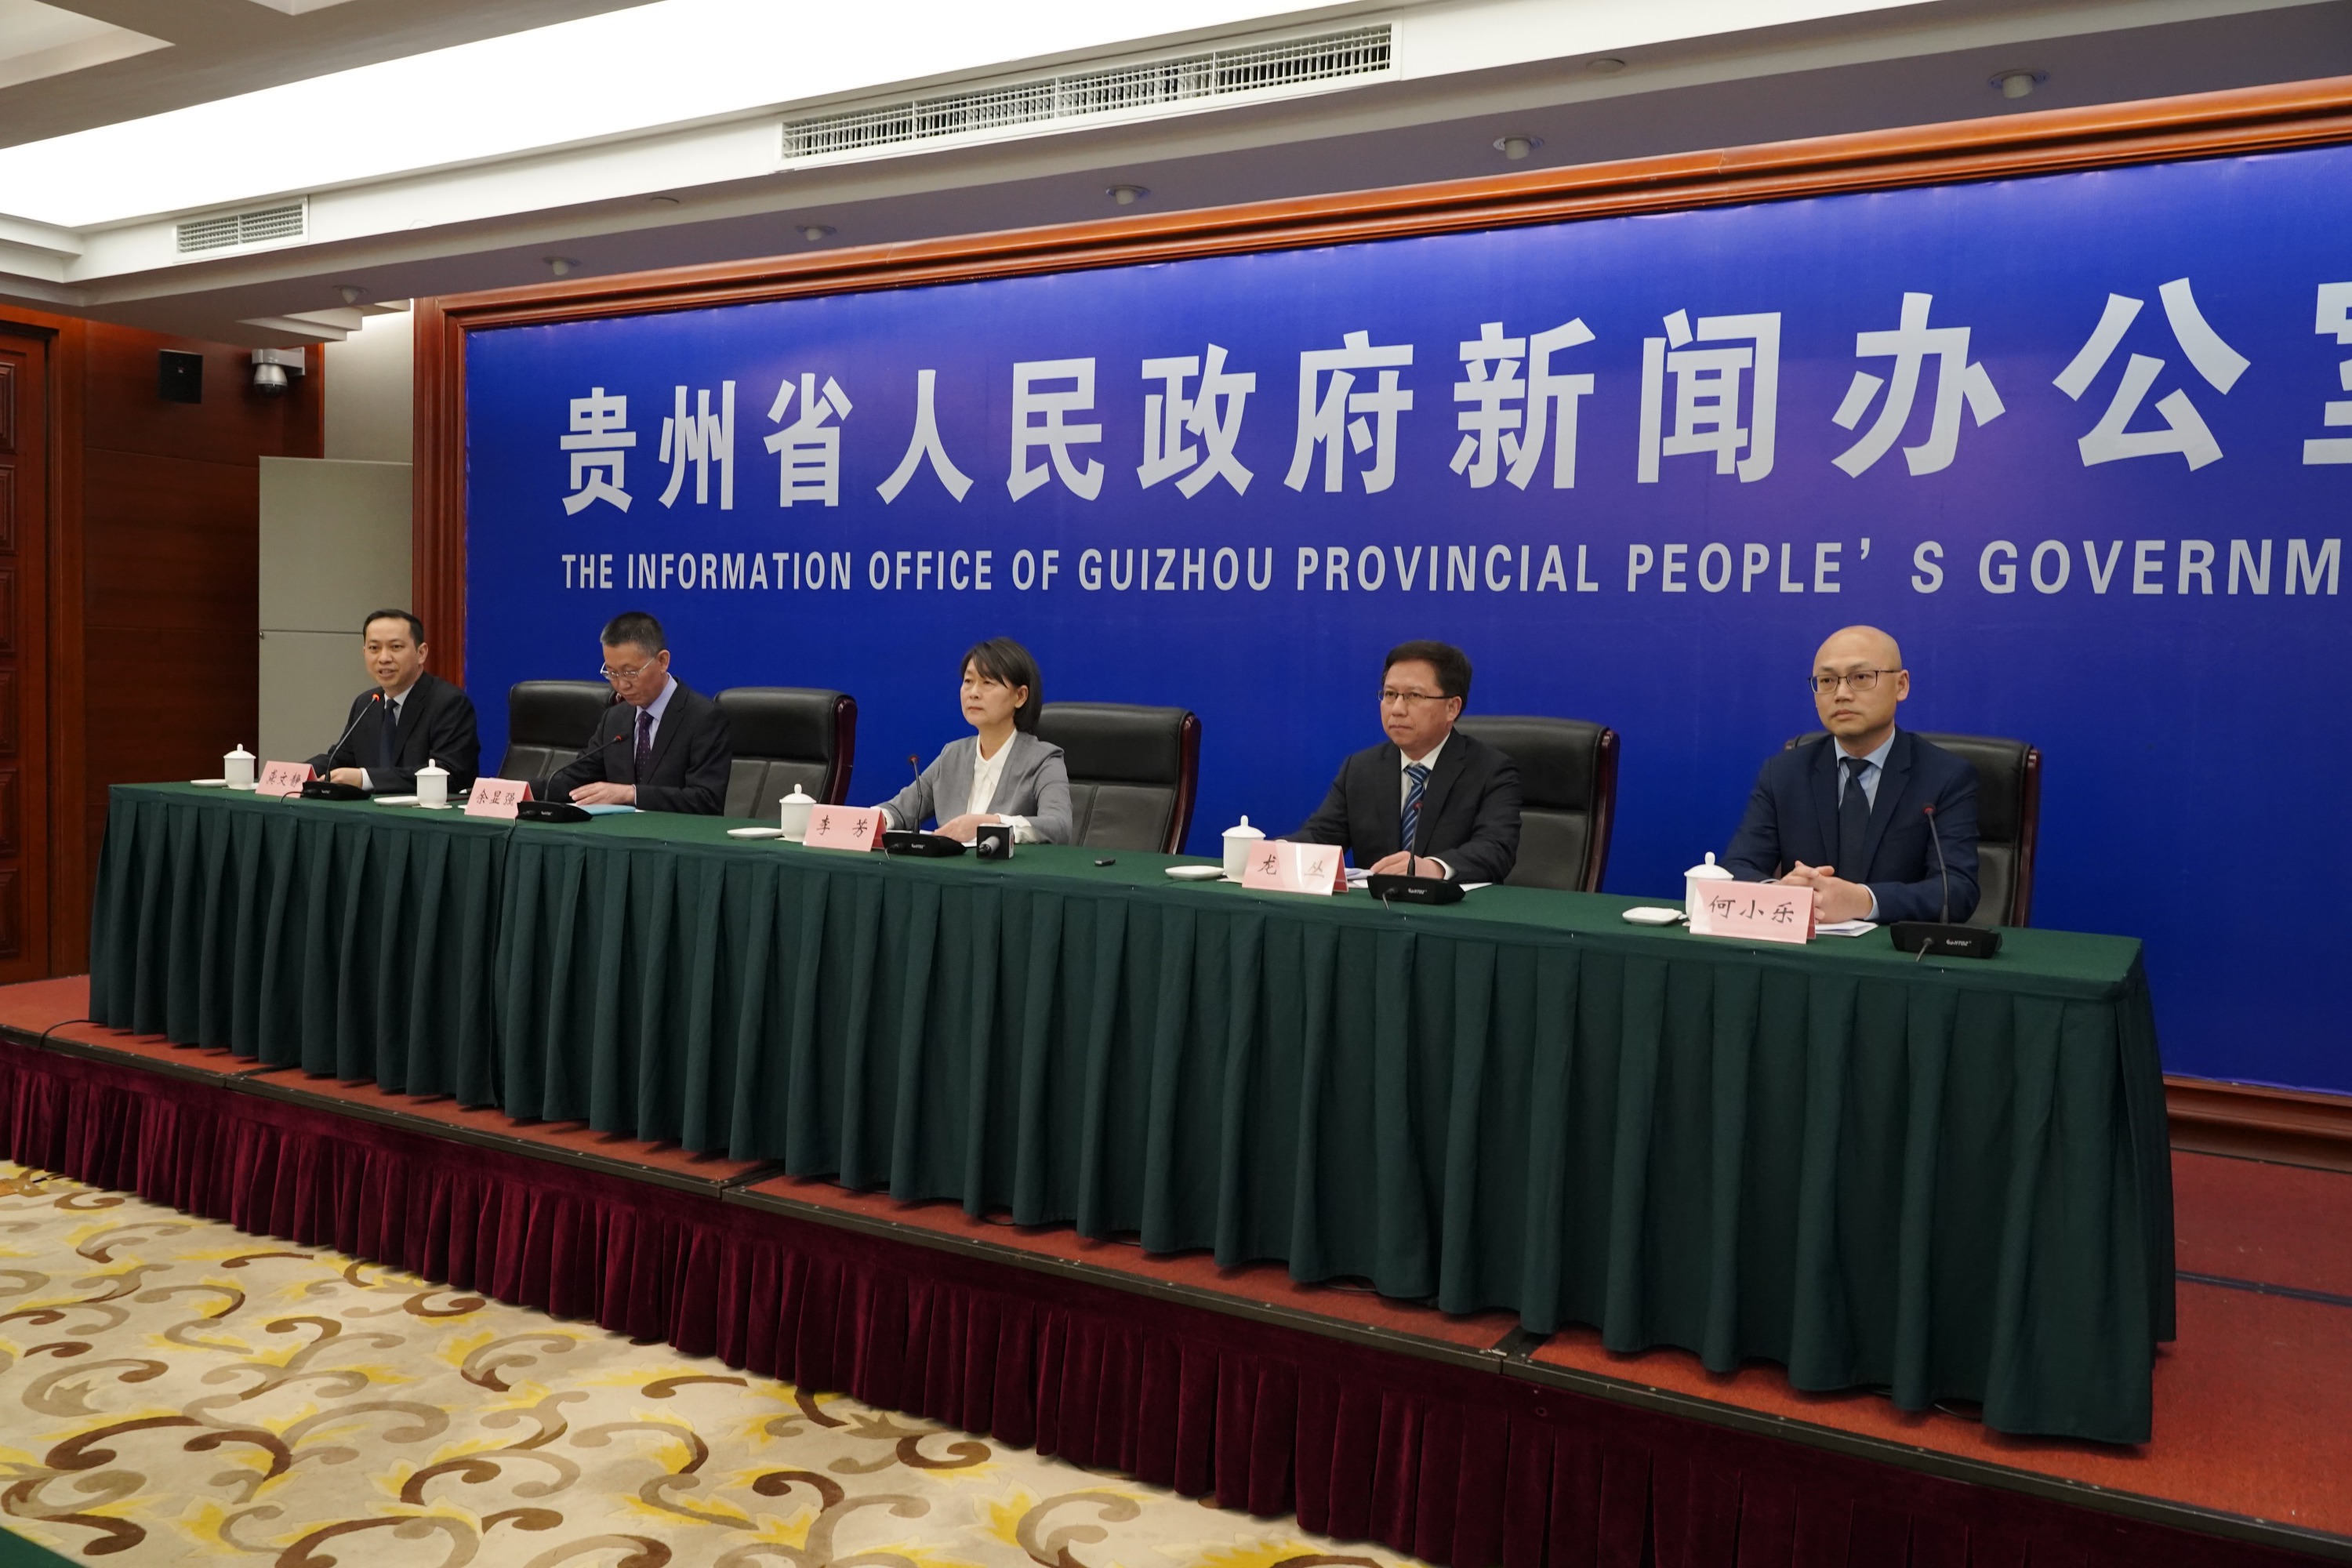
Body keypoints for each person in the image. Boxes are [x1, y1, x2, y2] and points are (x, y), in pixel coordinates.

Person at [1721, 624, 1980, 924]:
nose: (1841, 694)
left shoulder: (1945, 777)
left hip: (1893, 949)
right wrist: (1780, 892)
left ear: (1901, 685)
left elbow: (1956, 891)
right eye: (1827, 681)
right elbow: (1735, 869)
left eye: (1860, 677)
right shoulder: (1783, 774)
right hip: (1809, 946)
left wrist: (1863, 901)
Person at [1294, 640, 1521, 884]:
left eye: (1413, 695)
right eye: (1390, 695)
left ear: (1452, 708)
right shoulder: (1360, 769)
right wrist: (1276, 853)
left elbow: (1496, 849)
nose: (1397, 709)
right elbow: (1320, 836)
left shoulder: (1491, 771)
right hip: (1376, 906)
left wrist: (1434, 868)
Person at [877, 637, 1073, 843]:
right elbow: (898, 811)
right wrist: (872, 819)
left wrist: (992, 824)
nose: (974, 693)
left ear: (1020, 696)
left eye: (987, 683)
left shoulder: (1043, 760)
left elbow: (1058, 826)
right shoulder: (953, 755)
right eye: (968, 681)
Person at [546, 611, 734, 814]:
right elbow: (575, 778)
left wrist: (632, 794)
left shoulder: (704, 718)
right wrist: (524, 790)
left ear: (662, 661)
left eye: (630, 672)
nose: (621, 685)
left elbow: (707, 800)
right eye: (612, 673)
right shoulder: (614, 718)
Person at [311, 609, 480, 793]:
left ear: (421, 653)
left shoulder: (449, 703)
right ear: (364, 652)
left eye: (396, 647)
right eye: (374, 648)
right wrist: (298, 772)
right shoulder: (366, 703)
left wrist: (366, 779)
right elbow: (339, 759)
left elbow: (449, 773)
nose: (384, 658)